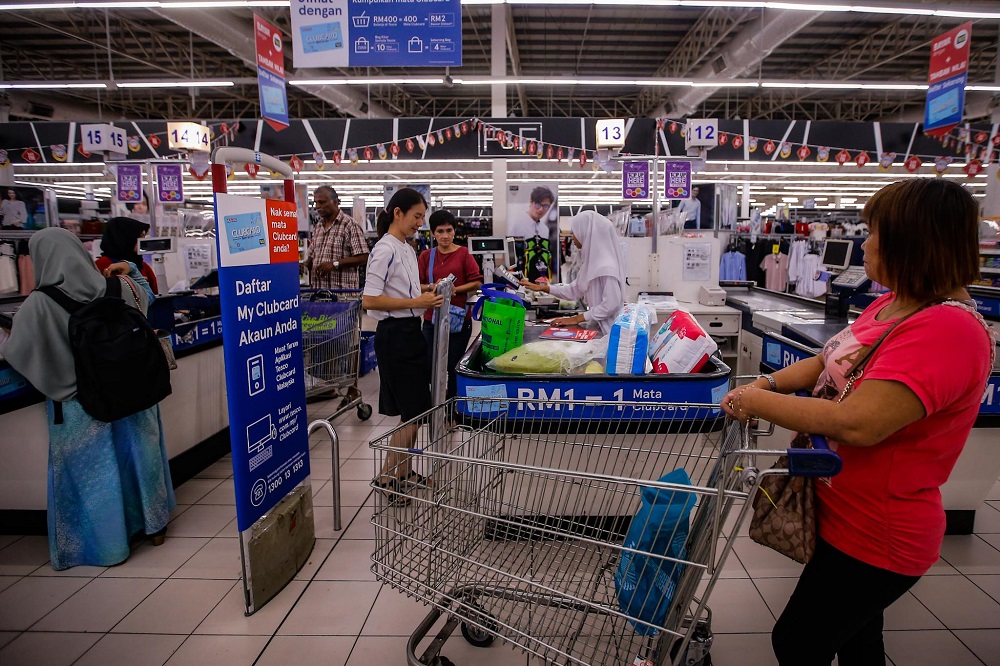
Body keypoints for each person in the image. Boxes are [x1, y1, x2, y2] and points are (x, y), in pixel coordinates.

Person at [720, 179, 994, 666]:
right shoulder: (892, 303)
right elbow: (827, 359)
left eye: (874, 232)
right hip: (840, 512)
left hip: (880, 531)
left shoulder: (948, 329)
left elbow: (858, 423)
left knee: (798, 642)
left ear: (912, 241)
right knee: (858, 641)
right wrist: (767, 386)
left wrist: (751, 401)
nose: (863, 243)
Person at [5, 228, 175, 570]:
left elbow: (18, 353)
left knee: (96, 478)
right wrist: (130, 268)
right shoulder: (116, 288)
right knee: (140, 461)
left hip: (80, 406)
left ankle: (109, 548)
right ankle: (155, 527)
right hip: (133, 394)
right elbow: (149, 298)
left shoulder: (38, 304)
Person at [362, 188, 443, 503]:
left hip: (411, 332)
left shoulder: (406, 248)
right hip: (395, 335)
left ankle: (405, 471)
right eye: (416, 216)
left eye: (422, 217)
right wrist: (415, 300)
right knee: (414, 413)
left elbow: (400, 287)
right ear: (398, 213)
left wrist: (424, 289)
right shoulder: (384, 249)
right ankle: (386, 478)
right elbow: (370, 299)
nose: (419, 223)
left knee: (411, 412)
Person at [520, 210, 625, 336]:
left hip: (608, 332)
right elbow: (574, 290)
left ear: (587, 233)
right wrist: (545, 288)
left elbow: (610, 304)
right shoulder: (592, 264)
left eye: (574, 233)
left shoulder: (606, 267)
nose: (572, 238)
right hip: (598, 328)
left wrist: (576, 319)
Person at [417, 210, 483, 398]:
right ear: (432, 233)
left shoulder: (463, 254)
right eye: (440, 231)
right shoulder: (426, 257)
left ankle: (452, 409)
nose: (445, 236)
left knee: (453, 365)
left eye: (449, 230)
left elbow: (477, 281)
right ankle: (434, 403)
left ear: (454, 231)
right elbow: (416, 285)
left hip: (459, 319)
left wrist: (456, 289)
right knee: (430, 363)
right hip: (432, 319)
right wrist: (432, 286)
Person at [305, 185, 368, 290]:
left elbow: (364, 257)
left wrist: (335, 264)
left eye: (322, 202)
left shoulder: (349, 225)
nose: (317, 206)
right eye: (316, 202)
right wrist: (305, 264)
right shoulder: (318, 226)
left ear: (335, 202)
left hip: (342, 297)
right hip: (318, 294)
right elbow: (312, 255)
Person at [95, 217, 159, 295]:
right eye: (140, 236)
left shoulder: (144, 267)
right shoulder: (102, 264)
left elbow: (155, 295)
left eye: (143, 236)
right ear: (126, 237)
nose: (143, 241)